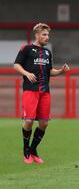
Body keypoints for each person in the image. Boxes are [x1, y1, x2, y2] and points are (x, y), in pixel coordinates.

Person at [13, 23, 70, 164]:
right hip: (30, 90)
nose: (47, 37)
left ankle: (33, 150)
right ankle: (26, 151)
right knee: (29, 121)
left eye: (48, 35)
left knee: (44, 123)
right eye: (44, 34)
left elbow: (50, 71)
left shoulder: (47, 53)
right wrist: (26, 73)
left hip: (45, 91)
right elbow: (16, 65)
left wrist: (61, 71)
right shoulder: (26, 49)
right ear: (37, 35)